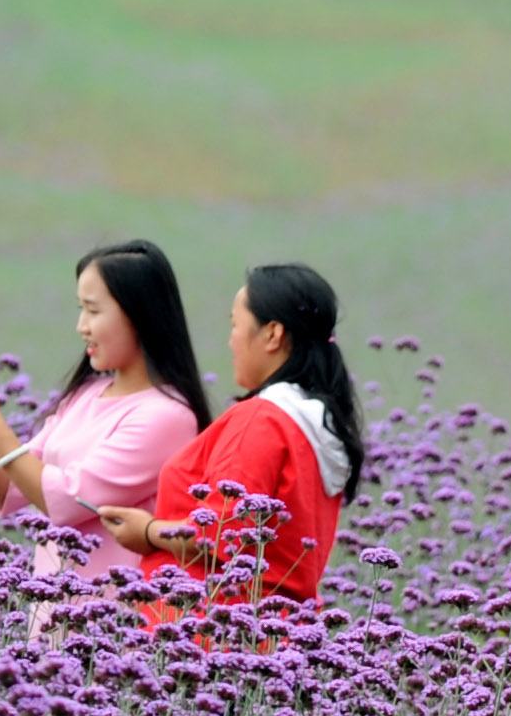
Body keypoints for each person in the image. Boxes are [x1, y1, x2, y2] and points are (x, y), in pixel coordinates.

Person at [0, 241, 211, 595]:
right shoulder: (85, 395)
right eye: (80, 309)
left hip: (109, 629)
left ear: (139, 315)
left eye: (94, 311)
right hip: (54, 621)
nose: (82, 326)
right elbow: (10, 488)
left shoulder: (167, 417)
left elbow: (66, 500)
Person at [99, 262, 363, 617]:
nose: (231, 340)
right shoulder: (315, 423)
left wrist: (146, 532)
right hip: (278, 634)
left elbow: (220, 534)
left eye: (235, 325)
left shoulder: (261, 419)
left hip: (215, 634)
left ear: (272, 334)